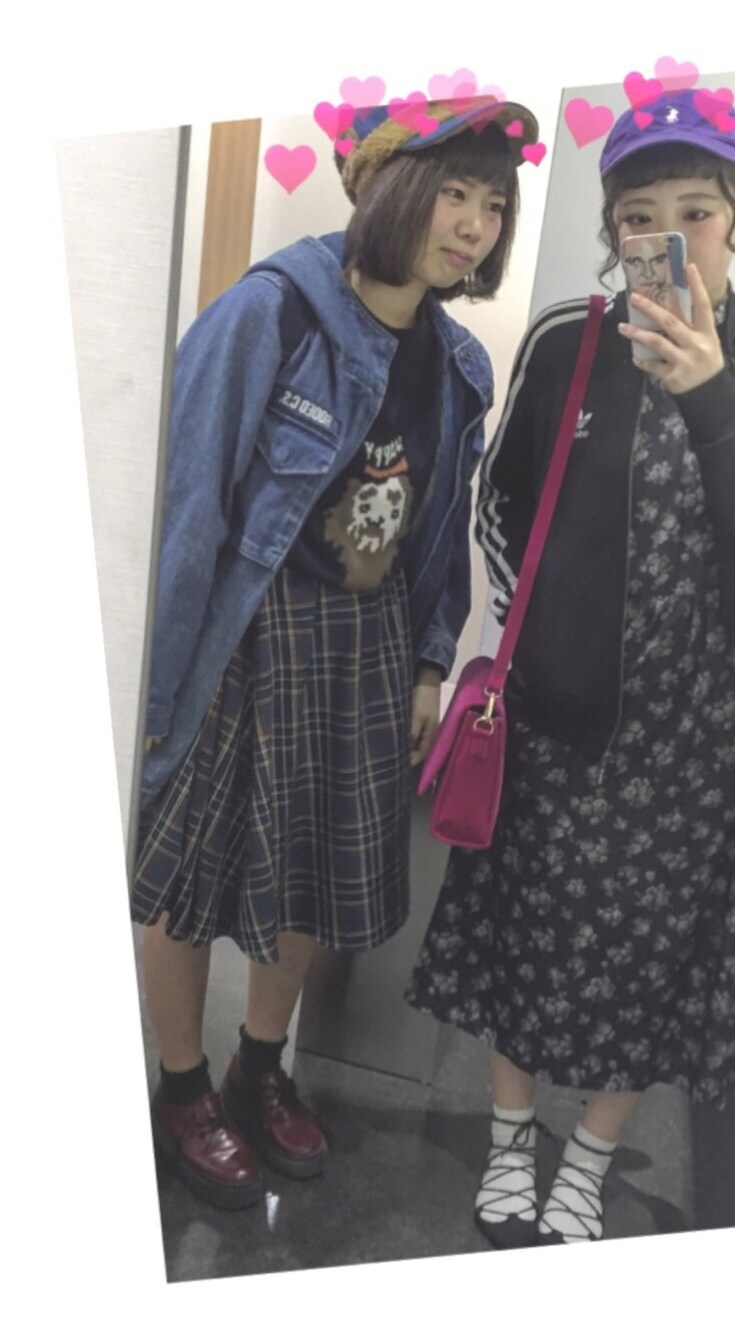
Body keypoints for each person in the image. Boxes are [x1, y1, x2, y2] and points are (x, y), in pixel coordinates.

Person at [406, 88, 735, 1247]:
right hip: (557, 722)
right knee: (522, 940)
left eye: (695, 210)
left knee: (649, 970)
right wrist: (538, 637)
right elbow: (500, 505)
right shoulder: (569, 338)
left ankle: (587, 1162)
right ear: (613, 228)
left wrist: (709, 392)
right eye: (640, 215)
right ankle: (511, 1142)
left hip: (697, 746)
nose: (668, 237)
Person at [132, 96, 539, 1210]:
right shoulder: (273, 311)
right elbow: (189, 507)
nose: (474, 225)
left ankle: (260, 1065)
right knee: (188, 873)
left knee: (312, 871)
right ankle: (181, 1085)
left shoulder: (458, 364)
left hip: (364, 644)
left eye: (493, 206)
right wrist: (155, 689)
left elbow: (437, 537)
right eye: (452, 194)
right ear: (392, 191)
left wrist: (427, 664)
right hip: (246, 631)